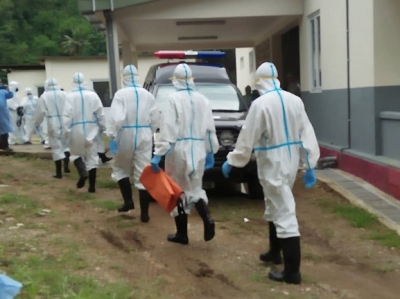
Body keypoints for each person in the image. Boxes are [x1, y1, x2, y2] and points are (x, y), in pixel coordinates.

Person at [221, 62, 320, 285]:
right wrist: (309, 163)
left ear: (259, 82)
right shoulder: (295, 101)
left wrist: (233, 161)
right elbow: (307, 132)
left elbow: (248, 137)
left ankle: (292, 272)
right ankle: (274, 252)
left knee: (283, 211)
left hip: (272, 162)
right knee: (274, 204)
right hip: (291, 159)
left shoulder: (260, 104)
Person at [151, 63, 219, 244]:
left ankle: (182, 234)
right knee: (195, 188)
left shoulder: (173, 100)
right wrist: (211, 150)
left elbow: (168, 129)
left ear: (176, 81)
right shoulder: (203, 100)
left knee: (177, 190)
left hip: (178, 150)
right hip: (198, 149)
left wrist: (159, 154)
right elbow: (209, 129)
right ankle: (207, 217)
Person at [106, 65, 159, 222]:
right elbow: (155, 118)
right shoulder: (148, 95)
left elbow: (117, 118)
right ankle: (144, 213)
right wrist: (149, 132)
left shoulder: (121, 94)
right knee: (143, 172)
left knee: (120, 167)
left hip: (125, 133)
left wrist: (112, 136)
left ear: (124, 77)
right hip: (144, 133)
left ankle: (128, 201)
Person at [63, 72, 105, 193]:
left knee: (76, 154)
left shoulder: (69, 96)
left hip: (76, 129)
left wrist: (66, 131)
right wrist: (104, 126)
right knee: (92, 157)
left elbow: (67, 115)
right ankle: (92, 186)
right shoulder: (93, 96)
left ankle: (82, 174)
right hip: (92, 129)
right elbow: (100, 112)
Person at [35, 79, 71, 178]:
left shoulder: (44, 96)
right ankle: (66, 166)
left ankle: (58, 172)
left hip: (52, 121)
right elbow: (70, 108)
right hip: (65, 120)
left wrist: (37, 122)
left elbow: (40, 111)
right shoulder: (64, 94)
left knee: (56, 147)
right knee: (66, 145)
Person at [0, 79, 14, 151]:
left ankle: (4, 145)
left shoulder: (3, 91)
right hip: (2, 113)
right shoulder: (2, 91)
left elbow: (10, 95)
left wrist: (8, 90)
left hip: (2, 113)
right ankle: (4, 146)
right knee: (4, 129)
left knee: (4, 129)